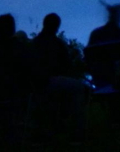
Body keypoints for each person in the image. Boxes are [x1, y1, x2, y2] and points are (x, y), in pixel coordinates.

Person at [30, 13, 87, 141]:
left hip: (35, 84)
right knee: (78, 87)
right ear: (56, 26)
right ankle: (78, 133)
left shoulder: (34, 43)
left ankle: (57, 124)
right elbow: (67, 66)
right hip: (47, 81)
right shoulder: (56, 44)